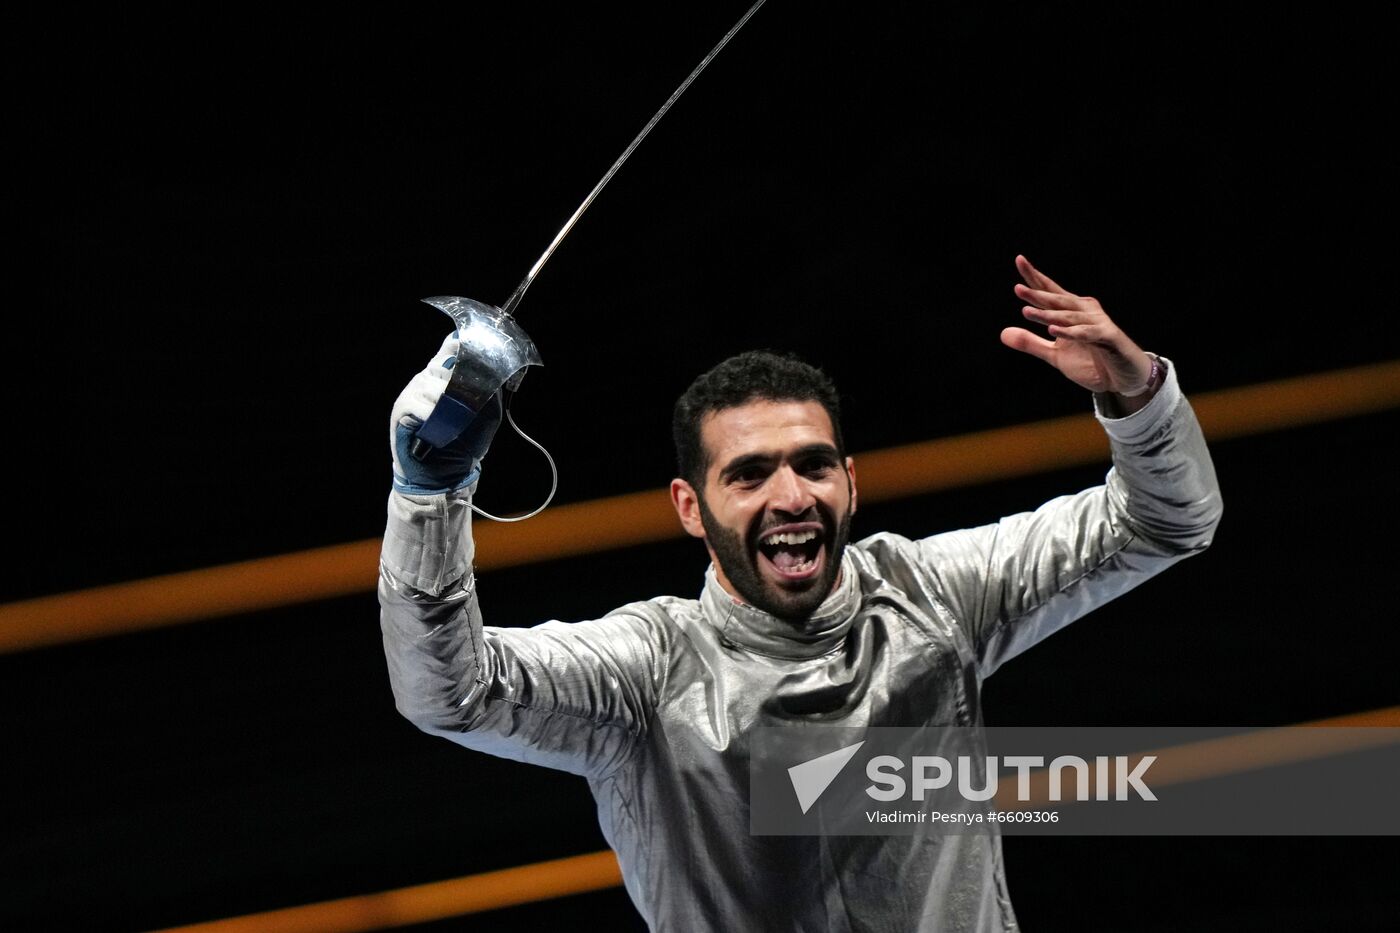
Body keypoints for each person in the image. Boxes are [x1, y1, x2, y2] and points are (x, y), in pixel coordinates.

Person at [379, 255, 1223, 931]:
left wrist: (1138, 394)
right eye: (749, 475)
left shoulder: (932, 593)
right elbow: (448, 691)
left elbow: (1166, 521)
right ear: (692, 509)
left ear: (849, 483)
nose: (791, 496)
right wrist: (430, 494)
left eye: (812, 464)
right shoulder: (645, 672)